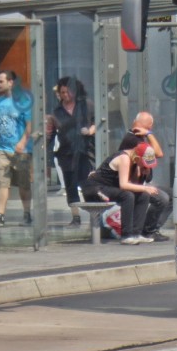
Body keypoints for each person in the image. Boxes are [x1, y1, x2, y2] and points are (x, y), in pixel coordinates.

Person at [82, 140, 162, 245]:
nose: (144, 166)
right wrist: (145, 188)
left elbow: (132, 184)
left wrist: (142, 173)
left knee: (143, 195)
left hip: (109, 188)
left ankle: (136, 233)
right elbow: (124, 185)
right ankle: (126, 235)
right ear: (137, 158)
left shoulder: (134, 161)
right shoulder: (124, 158)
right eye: (143, 163)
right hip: (95, 188)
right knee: (127, 196)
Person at [121, 111, 171, 240]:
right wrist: (149, 134)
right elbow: (159, 153)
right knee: (163, 198)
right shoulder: (133, 139)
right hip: (132, 185)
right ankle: (148, 231)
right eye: (150, 127)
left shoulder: (136, 137)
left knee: (171, 195)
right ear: (149, 126)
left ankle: (153, 227)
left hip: (141, 182)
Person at [54, 76, 97, 226]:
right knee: (70, 185)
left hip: (85, 150)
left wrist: (91, 130)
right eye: (62, 93)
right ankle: (76, 216)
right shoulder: (57, 111)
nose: (65, 95)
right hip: (66, 152)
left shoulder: (86, 105)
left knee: (87, 183)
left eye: (68, 92)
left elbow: (98, 122)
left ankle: (94, 216)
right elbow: (52, 131)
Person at [0, 69, 33, 226]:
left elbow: (30, 124)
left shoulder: (22, 101)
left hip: (21, 150)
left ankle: (27, 213)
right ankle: (0, 215)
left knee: (23, 184)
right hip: (2, 148)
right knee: (2, 182)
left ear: (11, 83)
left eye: (1, 81)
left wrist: (23, 142)